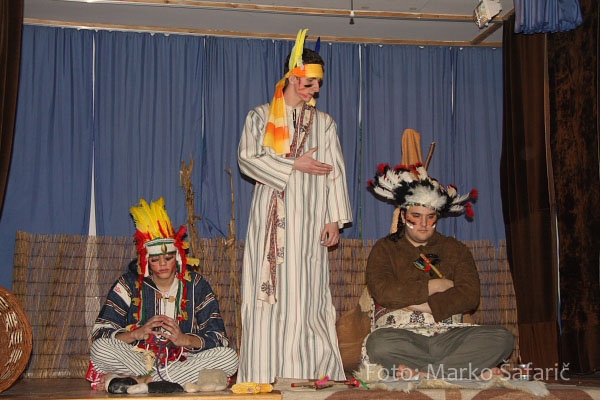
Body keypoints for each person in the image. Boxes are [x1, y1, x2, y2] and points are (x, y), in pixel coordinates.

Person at [237, 29, 352, 383]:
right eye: (309, 82)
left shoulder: (324, 123)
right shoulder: (260, 117)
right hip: (270, 226)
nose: (315, 90)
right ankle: (262, 374)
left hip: (311, 225)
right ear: (291, 76)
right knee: (265, 301)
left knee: (308, 298)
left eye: (318, 84)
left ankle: (310, 373)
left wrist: (334, 219)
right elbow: (248, 159)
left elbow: (334, 172)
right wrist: (292, 164)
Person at [364, 163, 514, 380]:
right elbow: (384, 291)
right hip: (401, 337)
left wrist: (423, 306)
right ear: (404, 216)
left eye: (430, 217)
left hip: (450, 337)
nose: (423, 224)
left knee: (502, 338)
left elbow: (470, 296)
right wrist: (436, 285)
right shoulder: (384, 248)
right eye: (416, 216)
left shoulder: (454, 249)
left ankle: (425, 374)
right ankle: (461, 372)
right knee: (378, 344)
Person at [87, 197, 238, 392]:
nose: (163, 264)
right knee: (100, 349)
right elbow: (99, 333)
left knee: (229, 357)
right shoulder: (128, 284)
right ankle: (161, 380)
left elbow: (218, 337)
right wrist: (135, 334)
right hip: (138, 359)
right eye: (155, 260)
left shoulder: (197, 285)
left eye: (168, 258)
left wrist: (184, 339)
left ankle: (141, 381)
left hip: (186, 359)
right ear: (145, 261)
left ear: (178, 257)